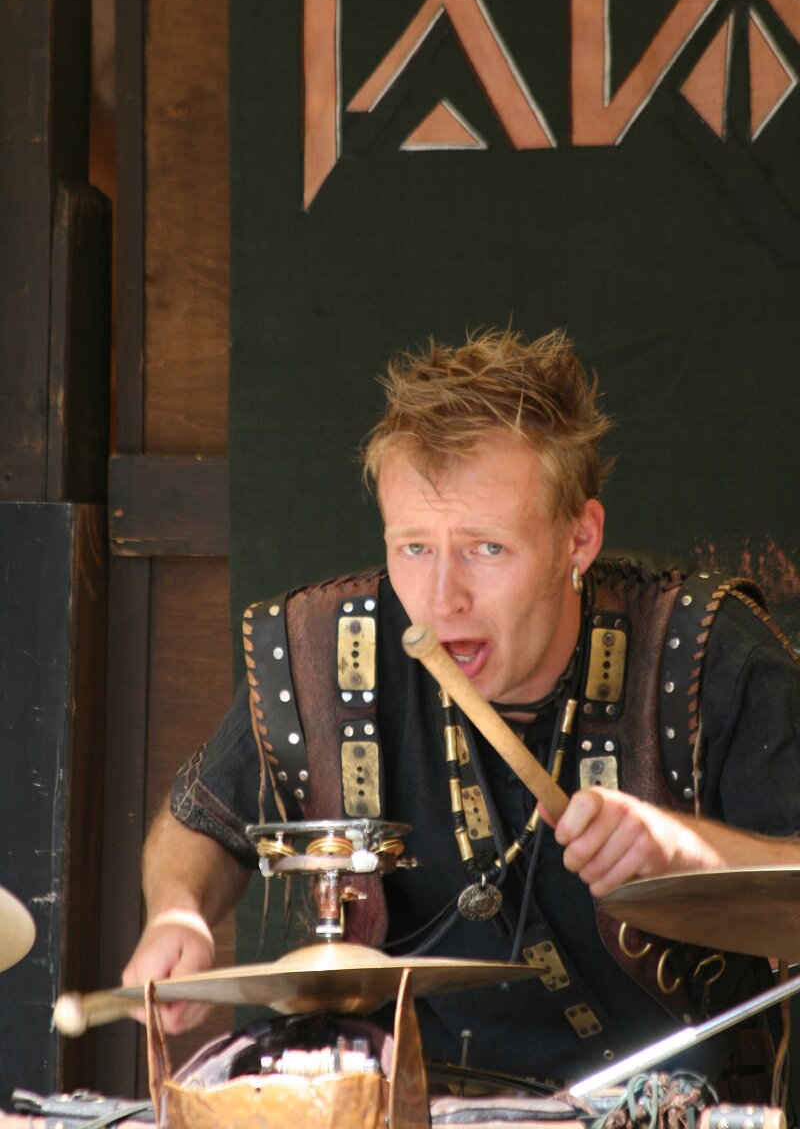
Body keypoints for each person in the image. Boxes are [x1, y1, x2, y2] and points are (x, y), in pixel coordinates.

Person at [123, 329, 800, 1086]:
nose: (443, 599)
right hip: (414, 1105)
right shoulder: (327, 651)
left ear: (578, 538)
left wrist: (690, 853)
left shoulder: (708, 656)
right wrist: (178, 911)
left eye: (487, 549)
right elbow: (200, 824)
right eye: (414, 548)